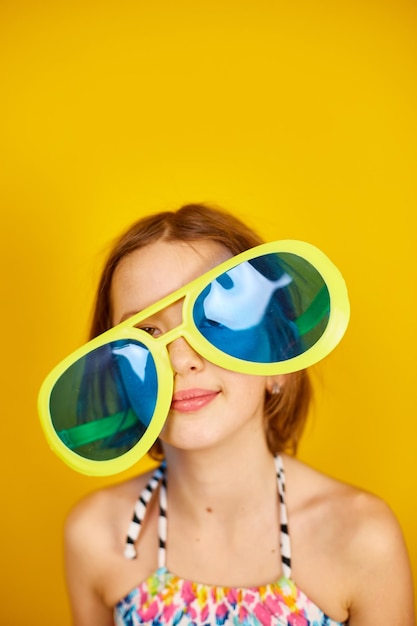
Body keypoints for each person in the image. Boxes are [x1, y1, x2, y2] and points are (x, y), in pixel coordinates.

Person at [61, 203, 414, 625]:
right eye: (146, 333)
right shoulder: (94, 535)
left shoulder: (362, 540)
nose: (179, 360)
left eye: (214, 318)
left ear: (279, 359)